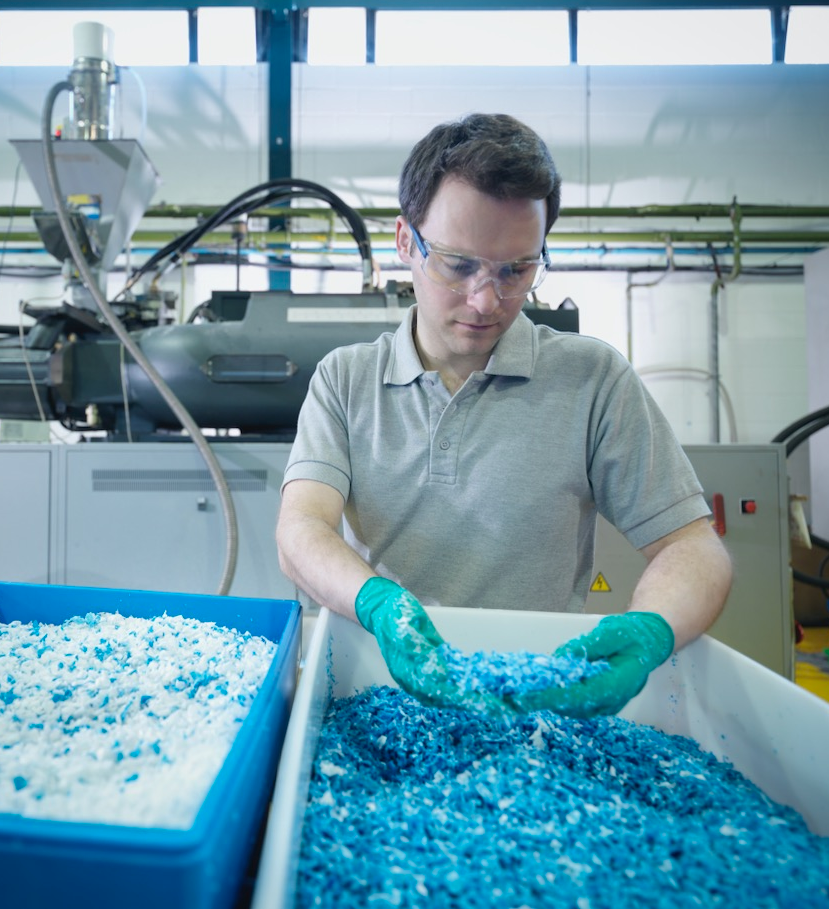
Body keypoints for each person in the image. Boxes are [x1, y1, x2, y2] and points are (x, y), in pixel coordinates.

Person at [275, 113, 732, 719]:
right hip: (377, 691)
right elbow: (301, 528)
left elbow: (693, 547)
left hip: (539, 704)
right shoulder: (346, 379)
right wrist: (382, 606)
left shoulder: (593, 381)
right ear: (406, 242)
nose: (486, 301)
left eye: (516, 270)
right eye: (458, 265)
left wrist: (653, 630)